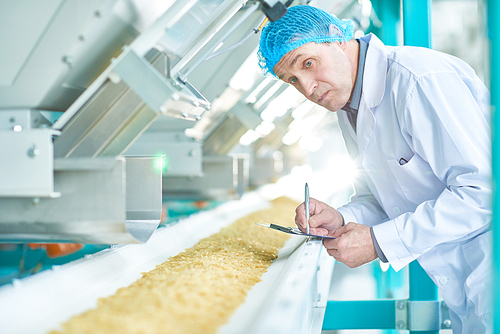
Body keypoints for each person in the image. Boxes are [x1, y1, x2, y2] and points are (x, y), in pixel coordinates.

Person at [258, 5, 492, 334]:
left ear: (337, 39)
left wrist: (379, 242)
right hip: (471, 286)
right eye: (293, 79)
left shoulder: (417, 80)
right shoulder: (348, 99)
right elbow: (387, 197)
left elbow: (483, 194)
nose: (308, 88)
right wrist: (342, 218)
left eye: (308, 64)